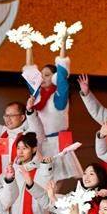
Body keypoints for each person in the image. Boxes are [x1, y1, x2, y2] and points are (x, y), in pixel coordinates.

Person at [28, 52, 80, 180]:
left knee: (56, 177)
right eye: (41, 75)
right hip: (42, 141)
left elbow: (62, 78)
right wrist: (28, 47)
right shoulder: (38, 97)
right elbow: (30, 74)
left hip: (57, 142)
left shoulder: (59, 97)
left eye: (47, 75)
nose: (43, 78)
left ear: (54, 78)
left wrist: (62, 47)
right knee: (43, 178)